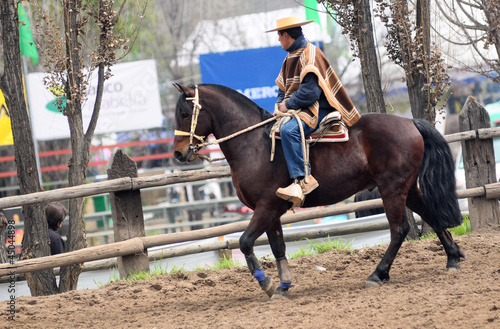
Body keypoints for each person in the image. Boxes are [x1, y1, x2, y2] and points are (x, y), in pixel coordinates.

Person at [266, 16, 361, 206]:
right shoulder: (290, 56)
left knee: (289, 130)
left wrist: (287, 105)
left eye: (279, 36)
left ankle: (303, 180)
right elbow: (282, 89)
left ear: (286, 35)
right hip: (299, 108)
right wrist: (278, 107)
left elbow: (310, 94)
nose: (278, 40)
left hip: (317, 109)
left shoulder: (311, 55)